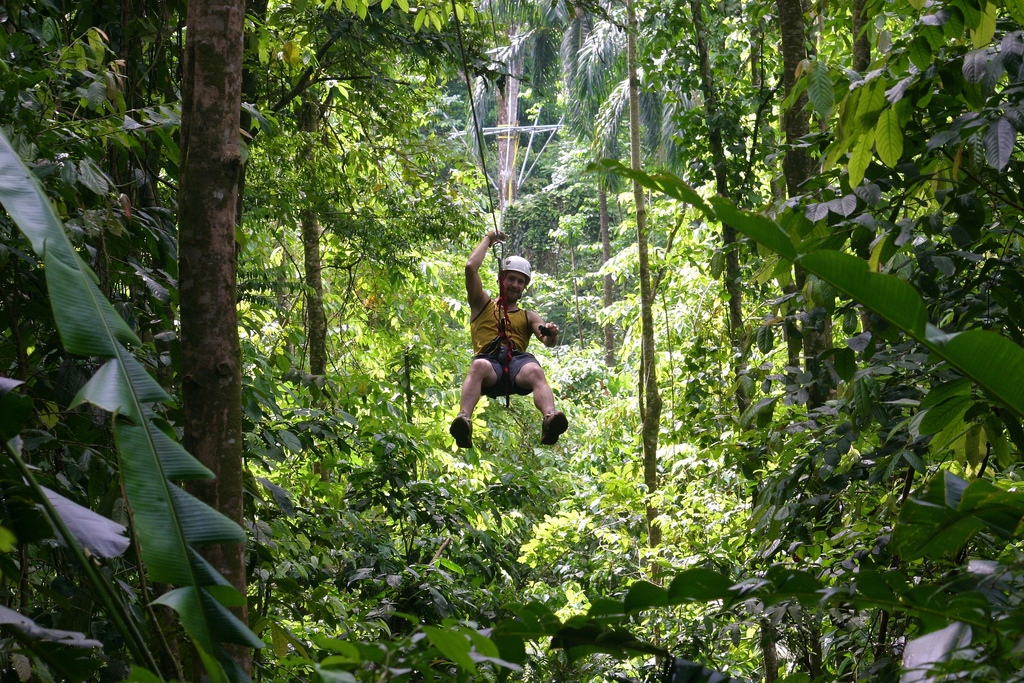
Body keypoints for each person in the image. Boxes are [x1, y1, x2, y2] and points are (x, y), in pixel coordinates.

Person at [449, 230, 568, 448]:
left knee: (535, 370)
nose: (515, 284)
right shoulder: (481, 304)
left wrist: (552, 333)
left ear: (524, 288)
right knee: (479, 365)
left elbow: (546, 339)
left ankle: (550, 418)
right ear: (500, 279)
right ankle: (464, 420)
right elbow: (470, 268)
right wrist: (488, 239)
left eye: (520, 282)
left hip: (517, 365)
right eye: (511, 278)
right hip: (490, 364)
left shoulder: (528, 316)